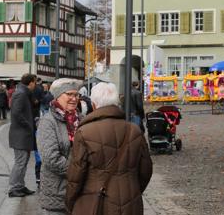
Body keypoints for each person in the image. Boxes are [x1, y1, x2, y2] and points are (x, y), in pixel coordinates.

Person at [65, 82, 153, 215]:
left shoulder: (84, 132)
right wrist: (133, 190)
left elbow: (76, 176)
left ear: (94, 105)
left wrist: (70, 203)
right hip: (130, 202)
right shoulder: (134, 130)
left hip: (95, 202)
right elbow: (146, 170)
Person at [37, 78, 82, 215]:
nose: (74, 99)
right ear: (58, 96)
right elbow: (51, 158)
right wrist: (78, 171)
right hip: (57, 193)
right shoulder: (48, 122)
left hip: (81, 192)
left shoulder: (82, 119)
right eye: (69, 94)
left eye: (76, 95)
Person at [8, 74, 37, 198]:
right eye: (35, 82)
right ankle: (14, 187)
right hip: (20, 133)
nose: (35, 85)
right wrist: (28, 125)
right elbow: (16, 113)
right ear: (30, 83)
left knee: (23, 161)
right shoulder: (21, 94)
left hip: (23, 133)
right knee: (20, 161)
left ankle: (20, 186)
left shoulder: (23, 93)